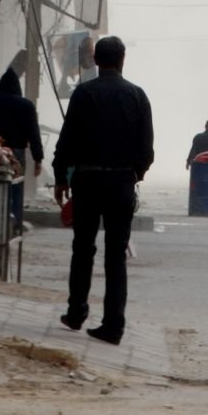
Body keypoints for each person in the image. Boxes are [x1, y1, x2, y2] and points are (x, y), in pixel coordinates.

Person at [52, 36, 154, 345]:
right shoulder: (137, 96)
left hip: (88, 182)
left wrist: (61, 178)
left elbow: (67, 140)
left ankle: (76, 312)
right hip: (121, 184)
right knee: (115, 255)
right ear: (123, 59)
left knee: (83, 248)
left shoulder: (84, 94)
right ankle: (113, 325)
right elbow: (146, 149)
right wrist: (134, 174)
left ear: (96, 61)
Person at [0, 66, 44, 230]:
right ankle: (15, 225)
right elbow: (34, 133)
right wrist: (38, 158)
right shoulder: (26, 106)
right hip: (17, 153)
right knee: (16, 187)